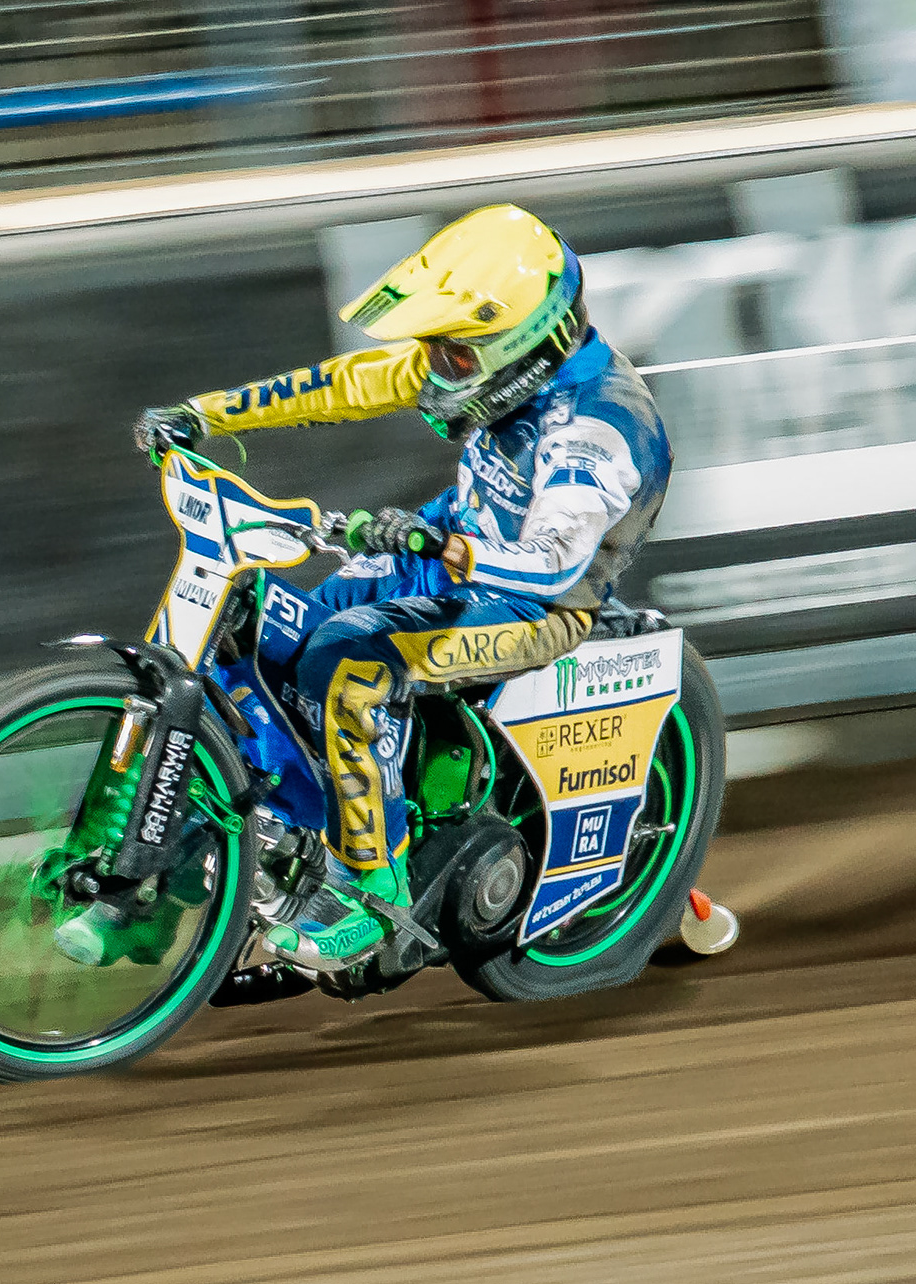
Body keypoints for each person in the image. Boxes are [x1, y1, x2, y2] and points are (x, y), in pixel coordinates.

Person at [102, 205, 672, 977]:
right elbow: (348, 383)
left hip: (535, 606)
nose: (434, 371)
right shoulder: (489, 368)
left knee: (346, 665)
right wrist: (204, 414)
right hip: (448, 547)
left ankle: (374, 892)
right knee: (270, 636)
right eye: (433, 350)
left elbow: (549, 564)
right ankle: (179, 877)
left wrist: (441, 544)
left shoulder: (598, 427)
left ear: (523, 350)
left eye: (453, 357)